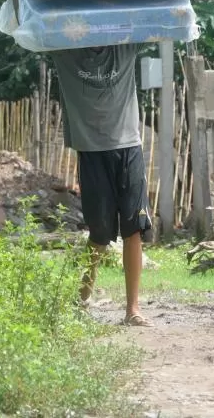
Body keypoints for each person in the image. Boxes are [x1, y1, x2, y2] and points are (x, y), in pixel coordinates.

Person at [51, 43, 153, 327]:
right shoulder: (65, 52)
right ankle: (81, 301)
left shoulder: (125, 48)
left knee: (133, 228)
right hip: (91, 151)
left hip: (129, 148)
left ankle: (133, 309)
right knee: (99, 232)